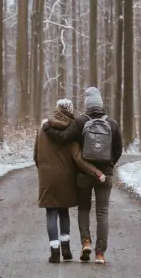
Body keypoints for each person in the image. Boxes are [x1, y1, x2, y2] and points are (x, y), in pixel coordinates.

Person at [43, 87, 122, 264]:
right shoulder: (112, 124)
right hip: (106, 175)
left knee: (84, 209)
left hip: (83, 175)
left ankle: (86, 242)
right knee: (102, 213)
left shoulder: (80, 122)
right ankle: (100, 254)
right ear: (101, 104)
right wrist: (108, 167)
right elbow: (118, 150)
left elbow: (62, 138)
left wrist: (47, 128)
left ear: (87, 105)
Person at [33, 98, 104, 263]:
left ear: (57, 108)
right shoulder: (73, 129)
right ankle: (66, 249)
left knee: (51, 211)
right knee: (63, 210)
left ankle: (54, 251)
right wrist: (94, 171)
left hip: (47, 176)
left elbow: (36, 155)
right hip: (66, 176)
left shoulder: (43, 127)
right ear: (70, 110)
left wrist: (44, 170)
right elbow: (77, 158)